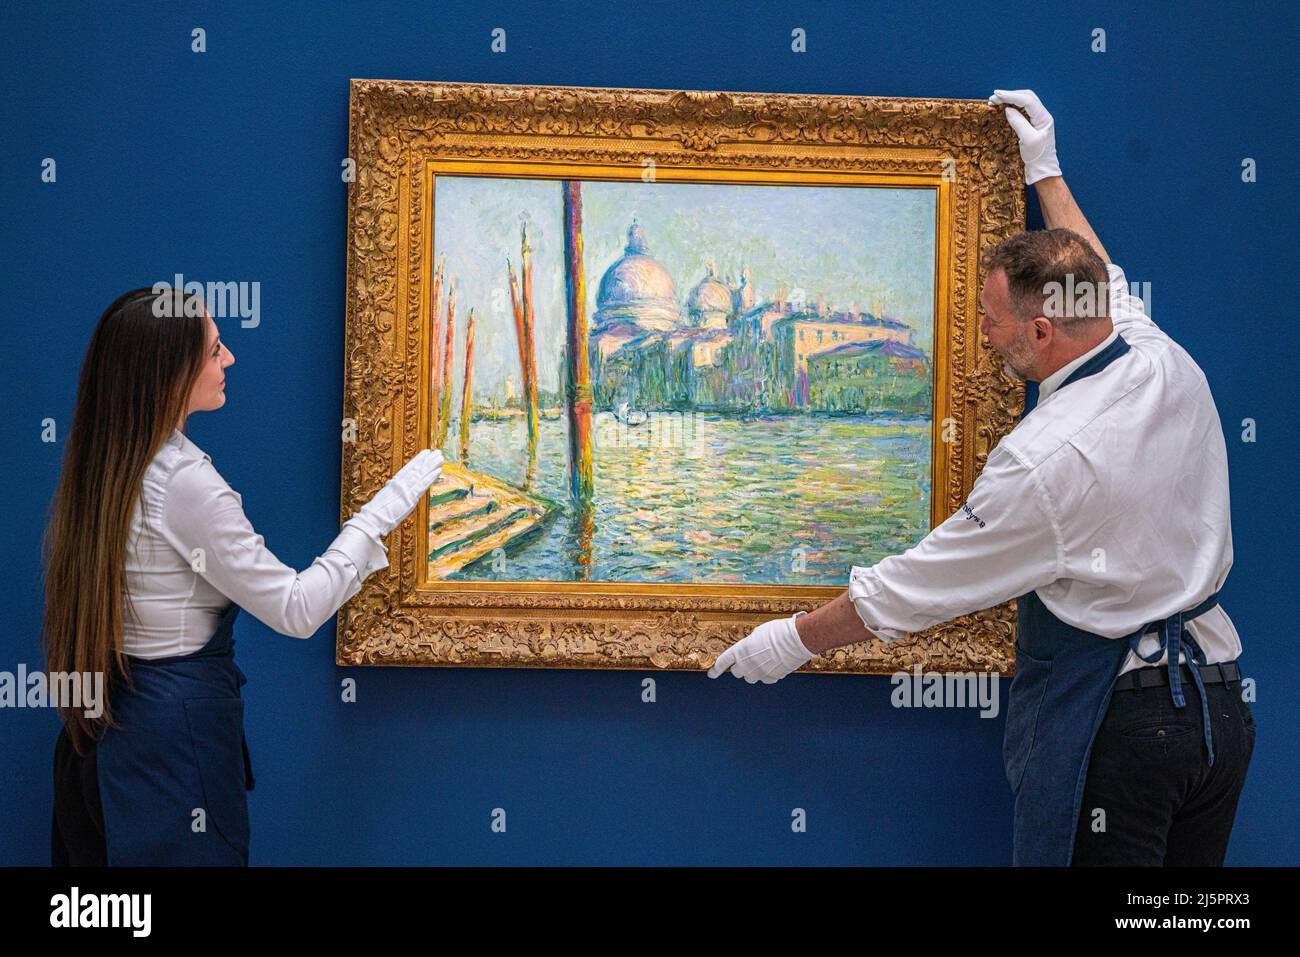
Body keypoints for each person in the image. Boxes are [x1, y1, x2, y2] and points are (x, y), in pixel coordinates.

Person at [707, 89, 1254, 867]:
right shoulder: (1158, 354)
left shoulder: (1043, 460)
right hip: (1218, 709)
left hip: (1122, 730)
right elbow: (1099, 275)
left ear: (1042, 330)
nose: (981, 333)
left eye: (992, 318)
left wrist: (790, 639)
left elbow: (912, 586)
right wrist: (1046, 170)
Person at [43, 287, 443, 865]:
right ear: (170, 375)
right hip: (168, 752)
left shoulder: (103, 461)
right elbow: (296, 609)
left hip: (102, 745)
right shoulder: (184, 482)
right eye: (214, 350)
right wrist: (380, 513)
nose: (229, 358)